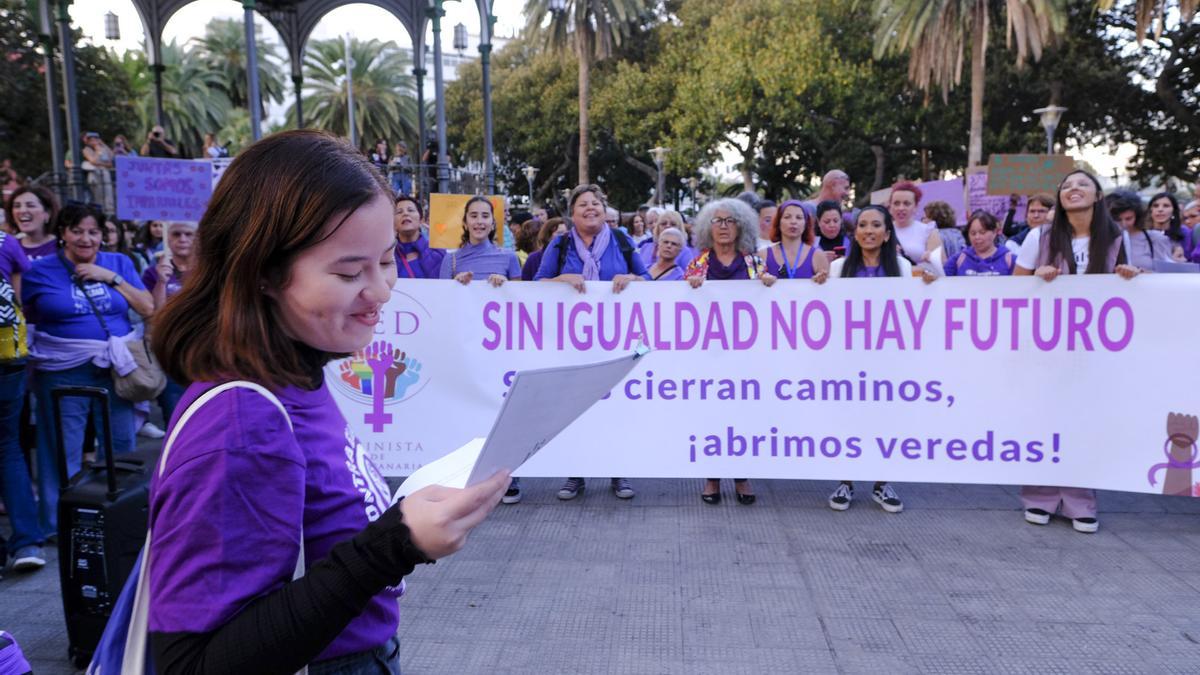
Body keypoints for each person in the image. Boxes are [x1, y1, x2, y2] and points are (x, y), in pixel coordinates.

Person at [145, 129, 508, 672]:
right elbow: (193, 663)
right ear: (264, 273)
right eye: (347, 272)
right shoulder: (241, 424)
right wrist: (395, 544)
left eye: (385, 262)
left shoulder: (298, 373)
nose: (382, 291)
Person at [1014, 170, 1138, 533]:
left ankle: (1080, 500)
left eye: (1082, 184)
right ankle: (1039, 496)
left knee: (1084, 422)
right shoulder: (1040, 236)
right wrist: (1037, 275)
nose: (1074, 190)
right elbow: (1014, 287)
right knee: (1044, 419)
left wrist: (1129, 276)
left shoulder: (1115, 238)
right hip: (1045, 347)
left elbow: (1122, 289)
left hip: (1092, 351)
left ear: (1098, 196)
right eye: (1067, 186)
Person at [21, 203, 154, 535]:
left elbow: (147, 306)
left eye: (93, 231)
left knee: (121, 446)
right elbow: (28, 319)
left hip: (115, 371)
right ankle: (59, 524)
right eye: (77, 230)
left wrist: (110, 278)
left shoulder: (119, 262)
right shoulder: (40, 272)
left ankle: (121, 515)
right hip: (62, 372)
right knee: (62, 450)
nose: (86, 238)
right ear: (63, 234)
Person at [535, 184, 646, 502]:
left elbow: (647, 279)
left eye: (596, 203)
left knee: (616, 406)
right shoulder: (559, 245)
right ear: (573, 213)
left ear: (604, 208)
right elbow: (538, 284)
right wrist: (560, 280)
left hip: (616, 339)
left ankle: (618, 470)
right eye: (583, 204)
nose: (590, 209)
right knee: (575, 406)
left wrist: (633, 279)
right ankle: (575, 472)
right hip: (571, 341)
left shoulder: (622, 241)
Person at [826, 206, 931, 514]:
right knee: (848, 421)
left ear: (887, 234)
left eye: (875, 225)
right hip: (848, 360)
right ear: (855, 233)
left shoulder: (900, 266)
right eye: (862, 225)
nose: (868, 230)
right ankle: (846, 481)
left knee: (886, 421)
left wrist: (930, 284)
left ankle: (882, 483)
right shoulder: (838, 268)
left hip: (889, 361)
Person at [685, 198, 775, 506]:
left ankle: (741, 475)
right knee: (711, 414)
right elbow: (681, 305)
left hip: (745, 356)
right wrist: (691, 286)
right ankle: (712, 477)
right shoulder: (698, 264)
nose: (723, 227)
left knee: (743, 415)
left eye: (729, 221)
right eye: (717, 221)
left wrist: (769, 284)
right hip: (708, 355)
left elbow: (769, 301)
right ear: (707, 228)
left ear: (741, 226)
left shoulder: (753, 263)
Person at [0, 221, 43, 571]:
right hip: (8, 357)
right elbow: (18, 300)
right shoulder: (7, 242)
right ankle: (28, 542)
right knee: (9, 447)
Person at [142, 222, 196, 421]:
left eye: (188, 234)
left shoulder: (208, 270)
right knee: (175, 417)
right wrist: (161, 282)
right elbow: (155, 314)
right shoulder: (152, 272)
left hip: (203, 353)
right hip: (171, 352)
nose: (182, 239)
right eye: (176, 234)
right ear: (167, 238)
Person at [439, 197, 520, 286]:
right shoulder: (450, 259)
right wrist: (455, 284)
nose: (479, 221)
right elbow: (443, 296)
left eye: (485, 216)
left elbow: (517, 296)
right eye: (474, 216)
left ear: (492, 224)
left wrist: (506, 284)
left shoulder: (510, 257)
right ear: (465, 223)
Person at [759, 200, 831, 283]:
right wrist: (761, 279)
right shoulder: (763, 255)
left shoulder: (818, 256)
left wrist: (820, 281)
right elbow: (751, 285)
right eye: (787, 217)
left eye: (799, 217)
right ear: (778, 222)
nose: (793, 222)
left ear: (806, 224)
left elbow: (828, 291)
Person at [1107, 190, 1174, 271]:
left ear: (1137, 216)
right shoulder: (1102, 239)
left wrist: (1145, 273)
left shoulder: (1155, 238)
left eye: (1128, 218)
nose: (1123, 224)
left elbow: (1167, 273)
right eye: (1117, 219)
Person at [888, 180, 943, 272]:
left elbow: (938, 267)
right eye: (896, 203)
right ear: (890, 206)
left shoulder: (928, 231)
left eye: (907, 203)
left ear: (916, 207)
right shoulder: (883, 231)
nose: (901, 208)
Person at [943, 211, 1015, 276]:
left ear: (994, 232)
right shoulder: (958, 259)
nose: (977, 237)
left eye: (982, 232)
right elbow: (942, 278)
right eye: (973, 233)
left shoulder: (1010, 260)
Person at [393, 195, 445, 279]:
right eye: (399, 212)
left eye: (410, 210)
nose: (405, 214)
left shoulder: (440, 253)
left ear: (421, 220)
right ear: (393, 223)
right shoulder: (386, 256)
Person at [5, 186, 59, 261]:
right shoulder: (7, 248)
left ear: (48, 213)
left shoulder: (63, 247)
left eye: (30, 205)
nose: (22, 210)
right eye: (17, 206)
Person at [1146, 192, 1191, 260]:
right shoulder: (1143, 234)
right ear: (1150, 210)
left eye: (1166, 206)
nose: (1160, 209)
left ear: (1173, 211)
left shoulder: (1184, 233)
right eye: (1156, 206)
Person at [520, 217, 566, 282]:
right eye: (560, 233)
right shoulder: (533, 258)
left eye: (566, 233)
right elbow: (525, 284)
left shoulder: (572, 257)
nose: (565, 236)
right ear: (548, 236)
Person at [82, 132, 116, 214]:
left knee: (108, 199)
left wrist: (103, 144)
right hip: (95, 174)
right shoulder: (86, 150)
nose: (94, 141)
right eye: (91, 139)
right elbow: (93, 160)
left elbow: (111, 158)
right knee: (99, 199)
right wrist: (98, 151)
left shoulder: (102, 148)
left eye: (96, 139)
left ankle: (110, 215)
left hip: (105, 174)